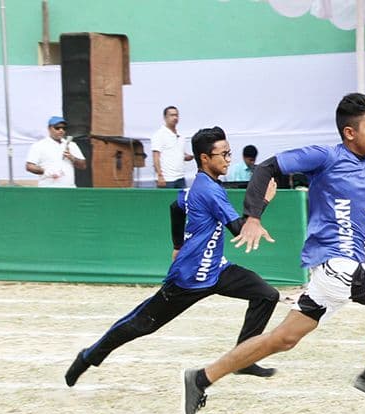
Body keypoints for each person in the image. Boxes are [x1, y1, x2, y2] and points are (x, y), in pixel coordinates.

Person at [180, 93, 365, 414]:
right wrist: (253, 216)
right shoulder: (324, 156)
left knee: (282, 340)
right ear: (349, 132)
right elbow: (268, 167)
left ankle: (201, 377)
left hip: (337, 273)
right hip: (337, 265)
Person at [64, 126, 278, 388]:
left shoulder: (203, 185)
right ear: (204, 159)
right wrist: (263, 201)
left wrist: (177, 244)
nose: (228, 159)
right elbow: (240, 230)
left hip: (217, 271)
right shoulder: (209, 190)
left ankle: (243, 358)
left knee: (267, 295)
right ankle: (88, 357)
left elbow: (176, 207)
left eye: (229, 153)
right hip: (188, 279)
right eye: (222, 154)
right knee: (139, 324)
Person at [25, 116, 87, 187]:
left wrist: (72, 157)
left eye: (64, 128)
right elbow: (29, 166)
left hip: (69, 188)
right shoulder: (39, 145)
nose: (61, 130)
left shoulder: (71, 145)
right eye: (57, 128)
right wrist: (46, 171)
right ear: (49, 128)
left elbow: (83, 165)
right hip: (48, 188)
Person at [152, 106, 193, 188]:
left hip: (180, 177)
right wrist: (160, 175)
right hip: (167, 179)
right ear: (165, 117)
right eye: (172, 115)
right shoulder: (159, 135)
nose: (175, 118)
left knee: (182, 200)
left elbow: (178, 153)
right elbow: (155, 156)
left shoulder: (180, 135)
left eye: (176, 115)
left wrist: (188, 156)